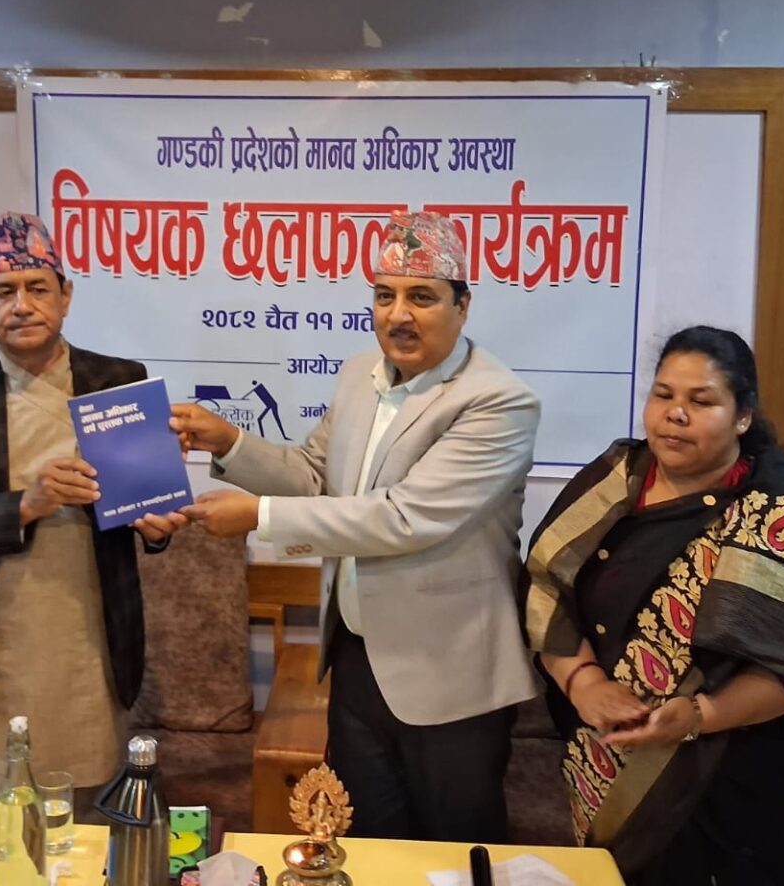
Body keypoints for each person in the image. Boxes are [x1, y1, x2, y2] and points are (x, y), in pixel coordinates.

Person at [167, 209, 541, 843]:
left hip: (448, 675)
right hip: (357, 659)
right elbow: (317, 475)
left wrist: (258, 517)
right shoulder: (358, 377)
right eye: (384, 295)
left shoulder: (498, 401)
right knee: (361, 847)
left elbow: (405, 517)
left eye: (422, 297)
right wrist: (230, 442)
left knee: (449, 860)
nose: (399, 315)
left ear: (463, 305)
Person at [522, 325, 784, 886]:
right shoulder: (617, 476)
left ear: (743, 417)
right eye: (663, 394)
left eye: (702, 401)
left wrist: (699, 716)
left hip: (734, 780)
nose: (675, 414)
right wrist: (583, 682)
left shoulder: (779, 511)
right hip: (608, 762)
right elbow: (546, 587)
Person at [0, 211, 175, 886]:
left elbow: (146, 508)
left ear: (66, 296)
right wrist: (27, 503)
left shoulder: (117, 381)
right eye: (4, 291)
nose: (21, 305)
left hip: (86, 656)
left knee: (83, 848)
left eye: (37, 288)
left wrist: (158, 525)